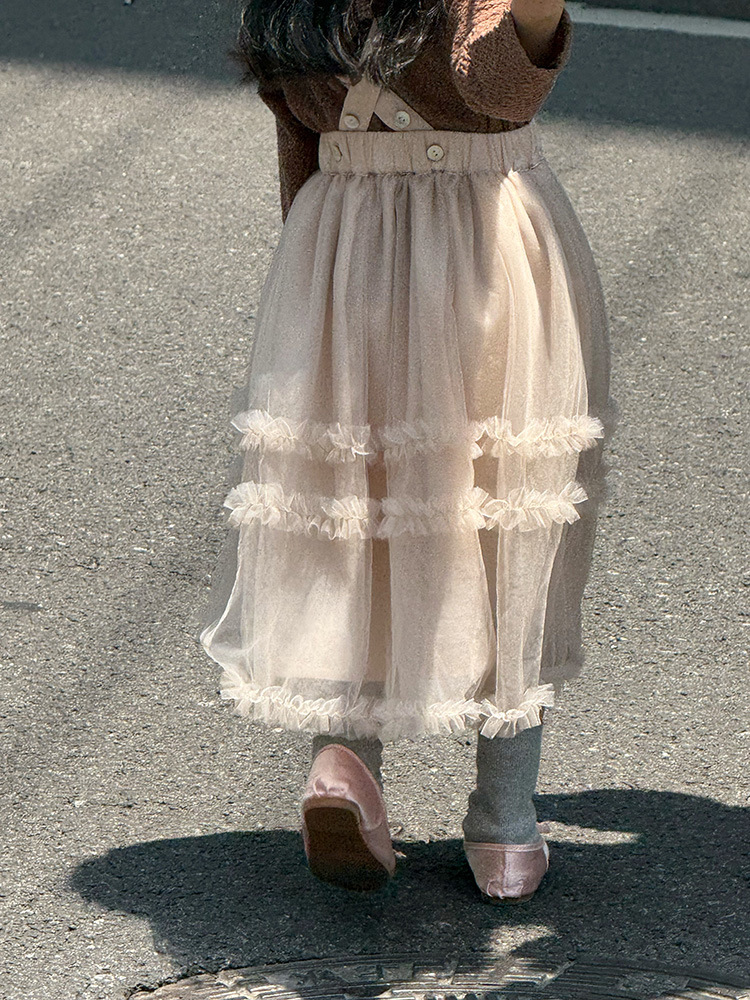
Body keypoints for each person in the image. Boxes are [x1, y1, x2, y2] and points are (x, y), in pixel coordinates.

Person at [199, 0, 616, 900]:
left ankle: (344, 764)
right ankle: (504, 818)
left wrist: (316, 290)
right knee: (506, 514)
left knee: (347, 510)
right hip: (486, 256)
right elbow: (501, 81)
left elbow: (298, 150)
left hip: (339, 248)